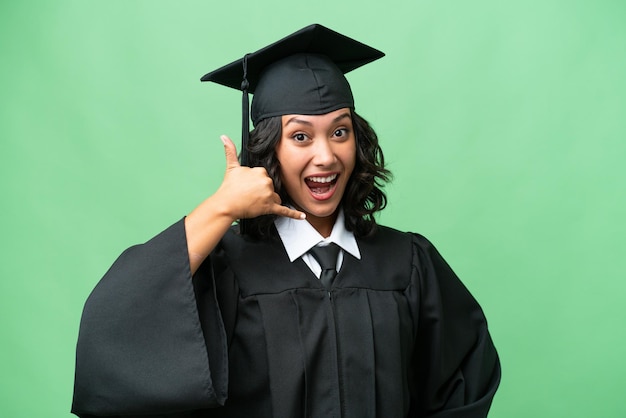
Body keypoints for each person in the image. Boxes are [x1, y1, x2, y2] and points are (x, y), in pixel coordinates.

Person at [72, 24, 501, 418]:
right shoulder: (227, 268)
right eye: (300, 136)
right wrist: (221, 208)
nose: (326, 155)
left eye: (339, 131)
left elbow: (463, 384)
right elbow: (115, 327)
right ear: (268, 150)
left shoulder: (407, 263)